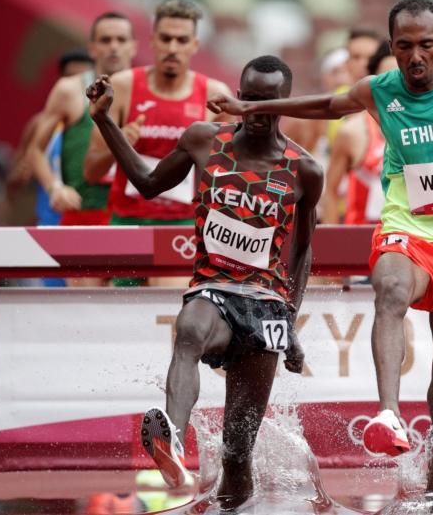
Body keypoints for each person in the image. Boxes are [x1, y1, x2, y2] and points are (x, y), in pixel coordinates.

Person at [207, 0, 433, 491]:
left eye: (425, 44)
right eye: (404, 46)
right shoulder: (379, 90)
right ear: (392, 46)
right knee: (390, 289)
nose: (415, 56)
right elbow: (328, 105)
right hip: (407, 228)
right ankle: (390, 413)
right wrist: (247, 110)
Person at [86, 55, 321, 510]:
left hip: (265, 304)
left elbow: (304, 248)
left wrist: (289, 319)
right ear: (236, 96)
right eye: (247, 100)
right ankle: (173, 439)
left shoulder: (304, 169)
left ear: (285, 104)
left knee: (237, 453)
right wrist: (104, 121)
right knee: (190, 328)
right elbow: (148, 182)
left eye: (267, 104)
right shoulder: (203, 141)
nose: (254, 112)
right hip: (212, 288)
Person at [83, 0, 232, 287]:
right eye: (165, 38)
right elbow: (90, 171)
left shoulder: (214, 95)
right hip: (126, 220)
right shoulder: (124, 86)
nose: (173, 48)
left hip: (182, 225)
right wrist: (120, 141)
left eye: (182, 40)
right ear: (152, 40)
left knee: (168, 315)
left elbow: (231, 171)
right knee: (118, 319)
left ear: (195, 45)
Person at [27, 15, 136, 238]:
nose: (114, 47)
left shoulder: (147, 91)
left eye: (121, 40)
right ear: (92, 48)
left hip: (133, 218)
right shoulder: (69, 90)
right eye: (105, 40)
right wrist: (54, 188)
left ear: (133, 47)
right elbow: (35, 150)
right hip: (83, 216)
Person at [10, 49, 95, 228]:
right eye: (70, 77)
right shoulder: (38, 124)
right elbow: (14, 181)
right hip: (50, 222)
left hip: (91, 219)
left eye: (83, 78)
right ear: (60, 81)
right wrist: (25, 173)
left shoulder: (104, 122)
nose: (76, 85)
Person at [322, 41, 394, 225]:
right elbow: (330, 192)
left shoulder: (428, 129)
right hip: (362, 242)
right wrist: (330, 248)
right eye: (388, 78)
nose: (396, 87)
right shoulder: (352, 132)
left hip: (412, 243)